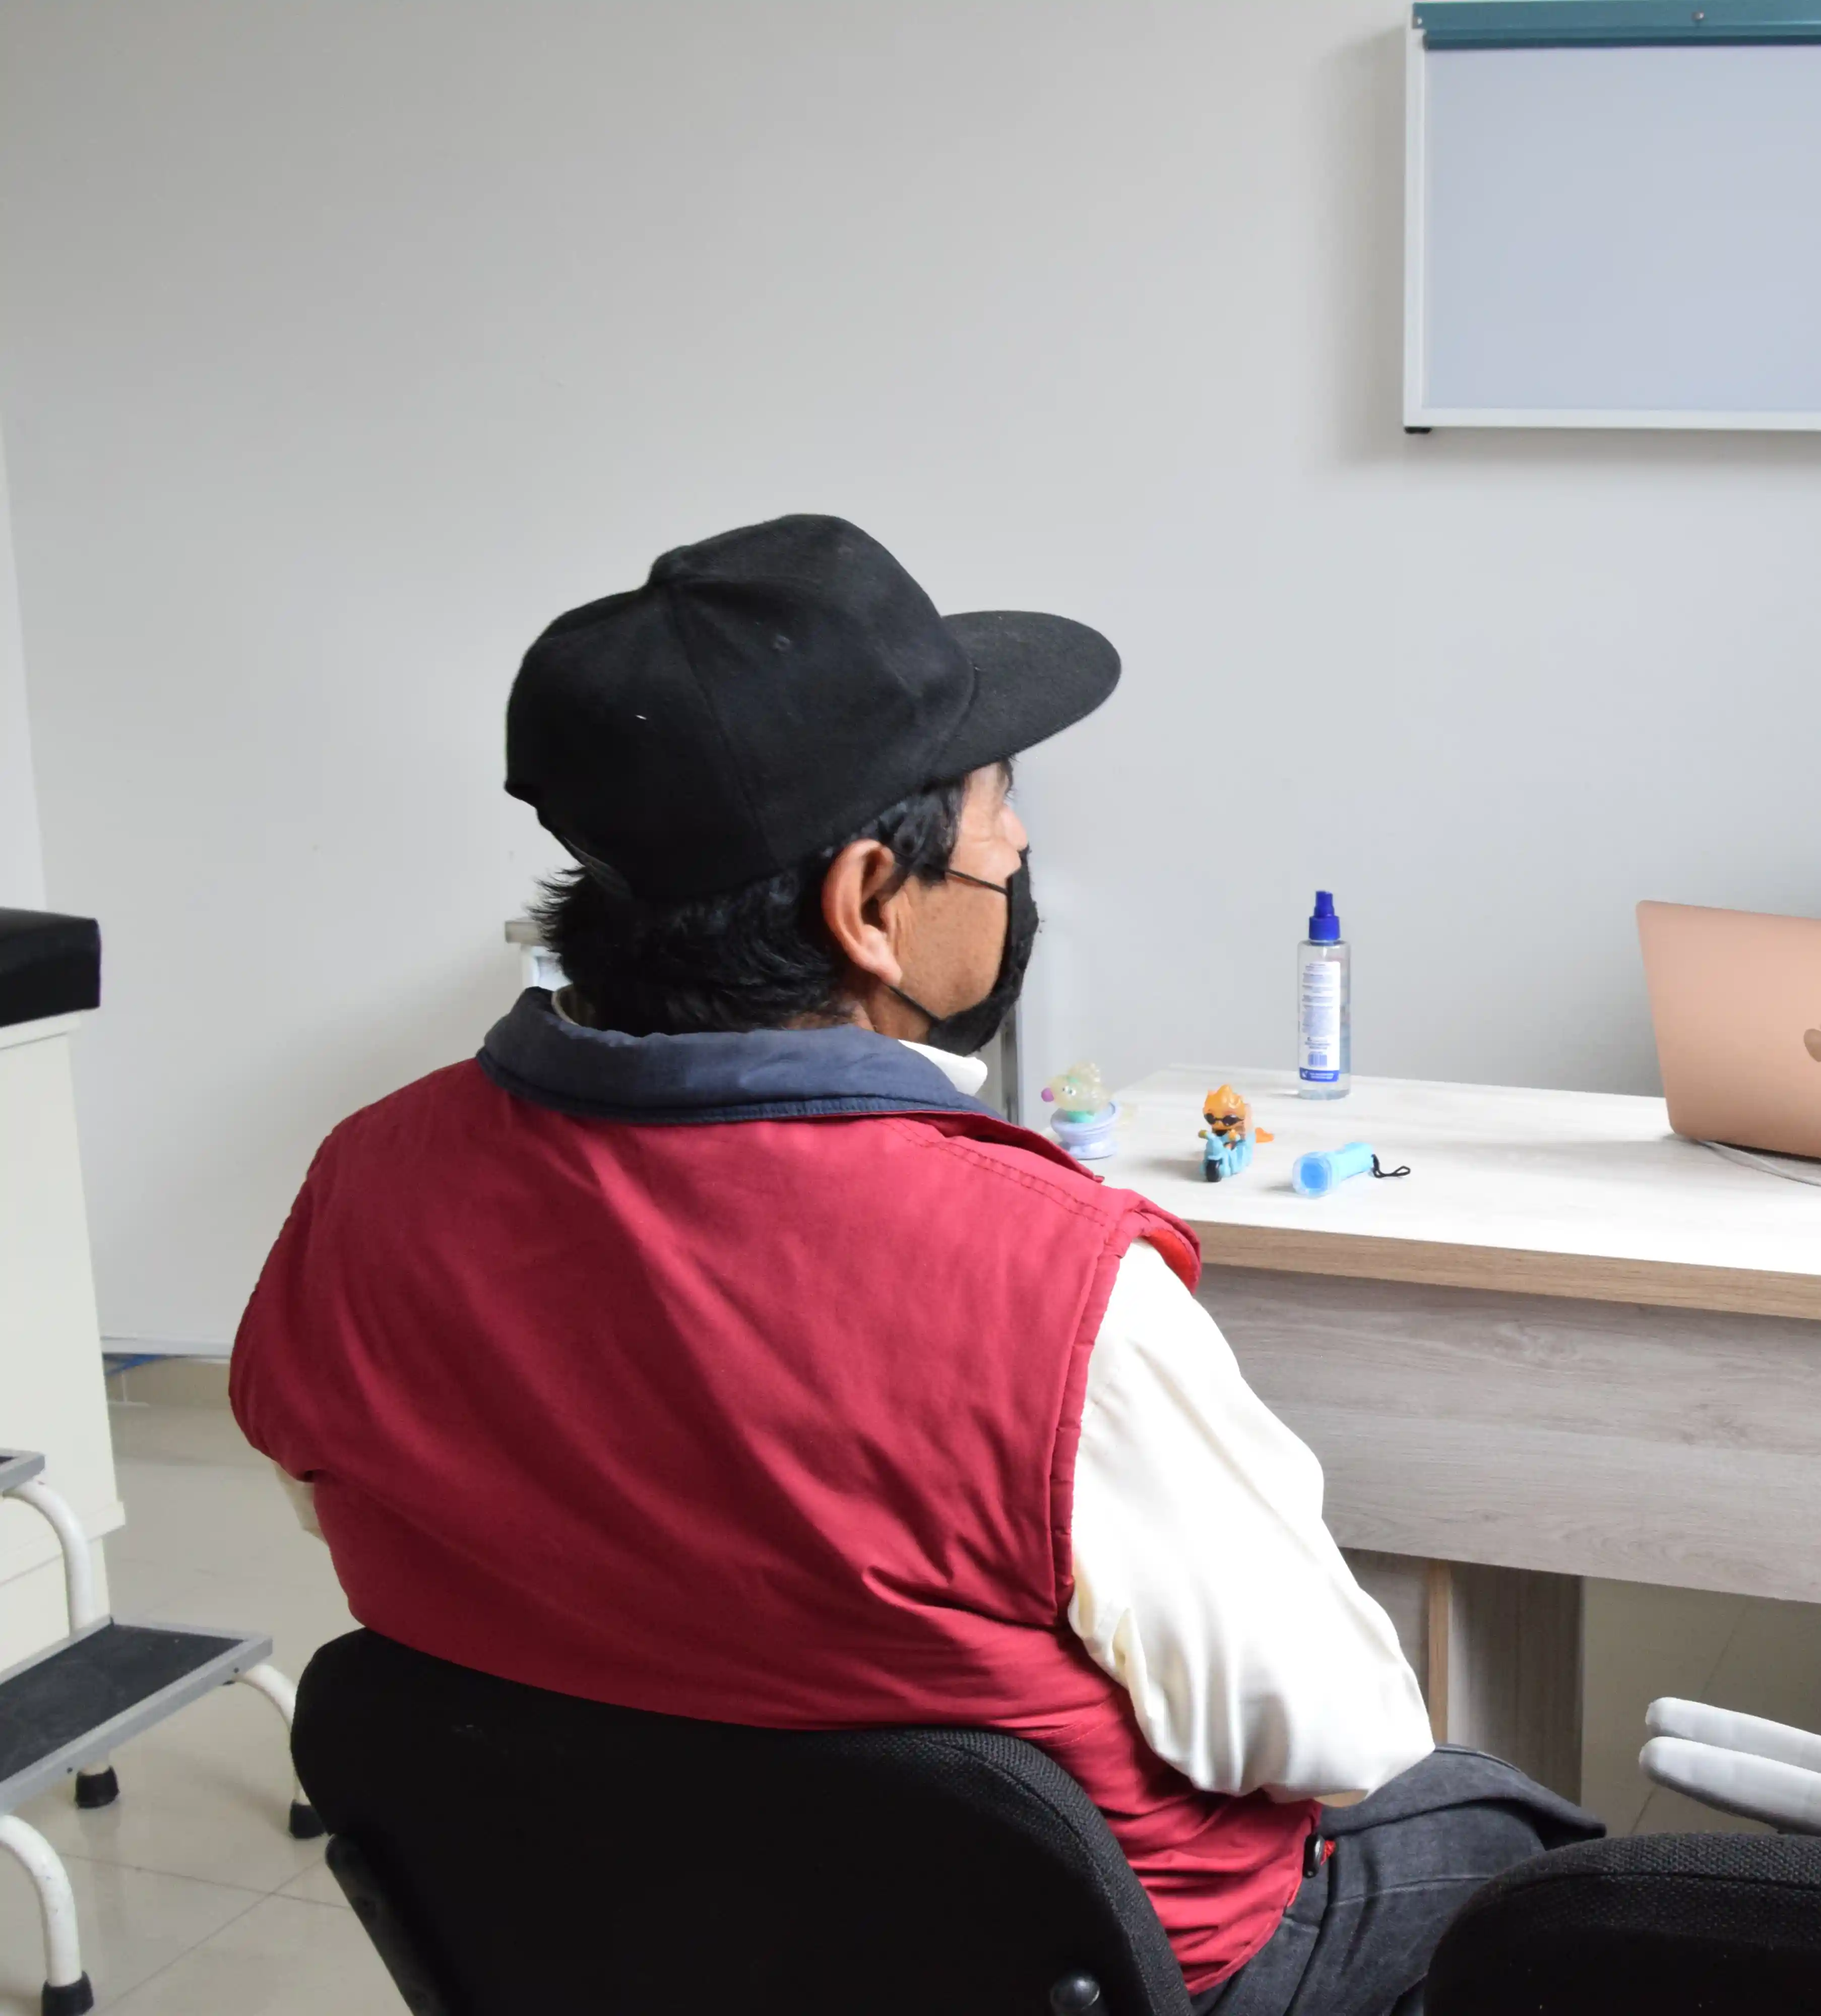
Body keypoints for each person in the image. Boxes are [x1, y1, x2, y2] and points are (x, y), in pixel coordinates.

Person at [230, 515, 1593, 2016]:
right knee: (1514, 1848)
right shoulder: (1046, 1286)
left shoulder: (364, 1180)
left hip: (626, 1947)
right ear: (870, 902)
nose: (1019, 856)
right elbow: (1333, 1733)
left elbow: (361, 1515)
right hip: (1097, 1970)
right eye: (1004, 816)